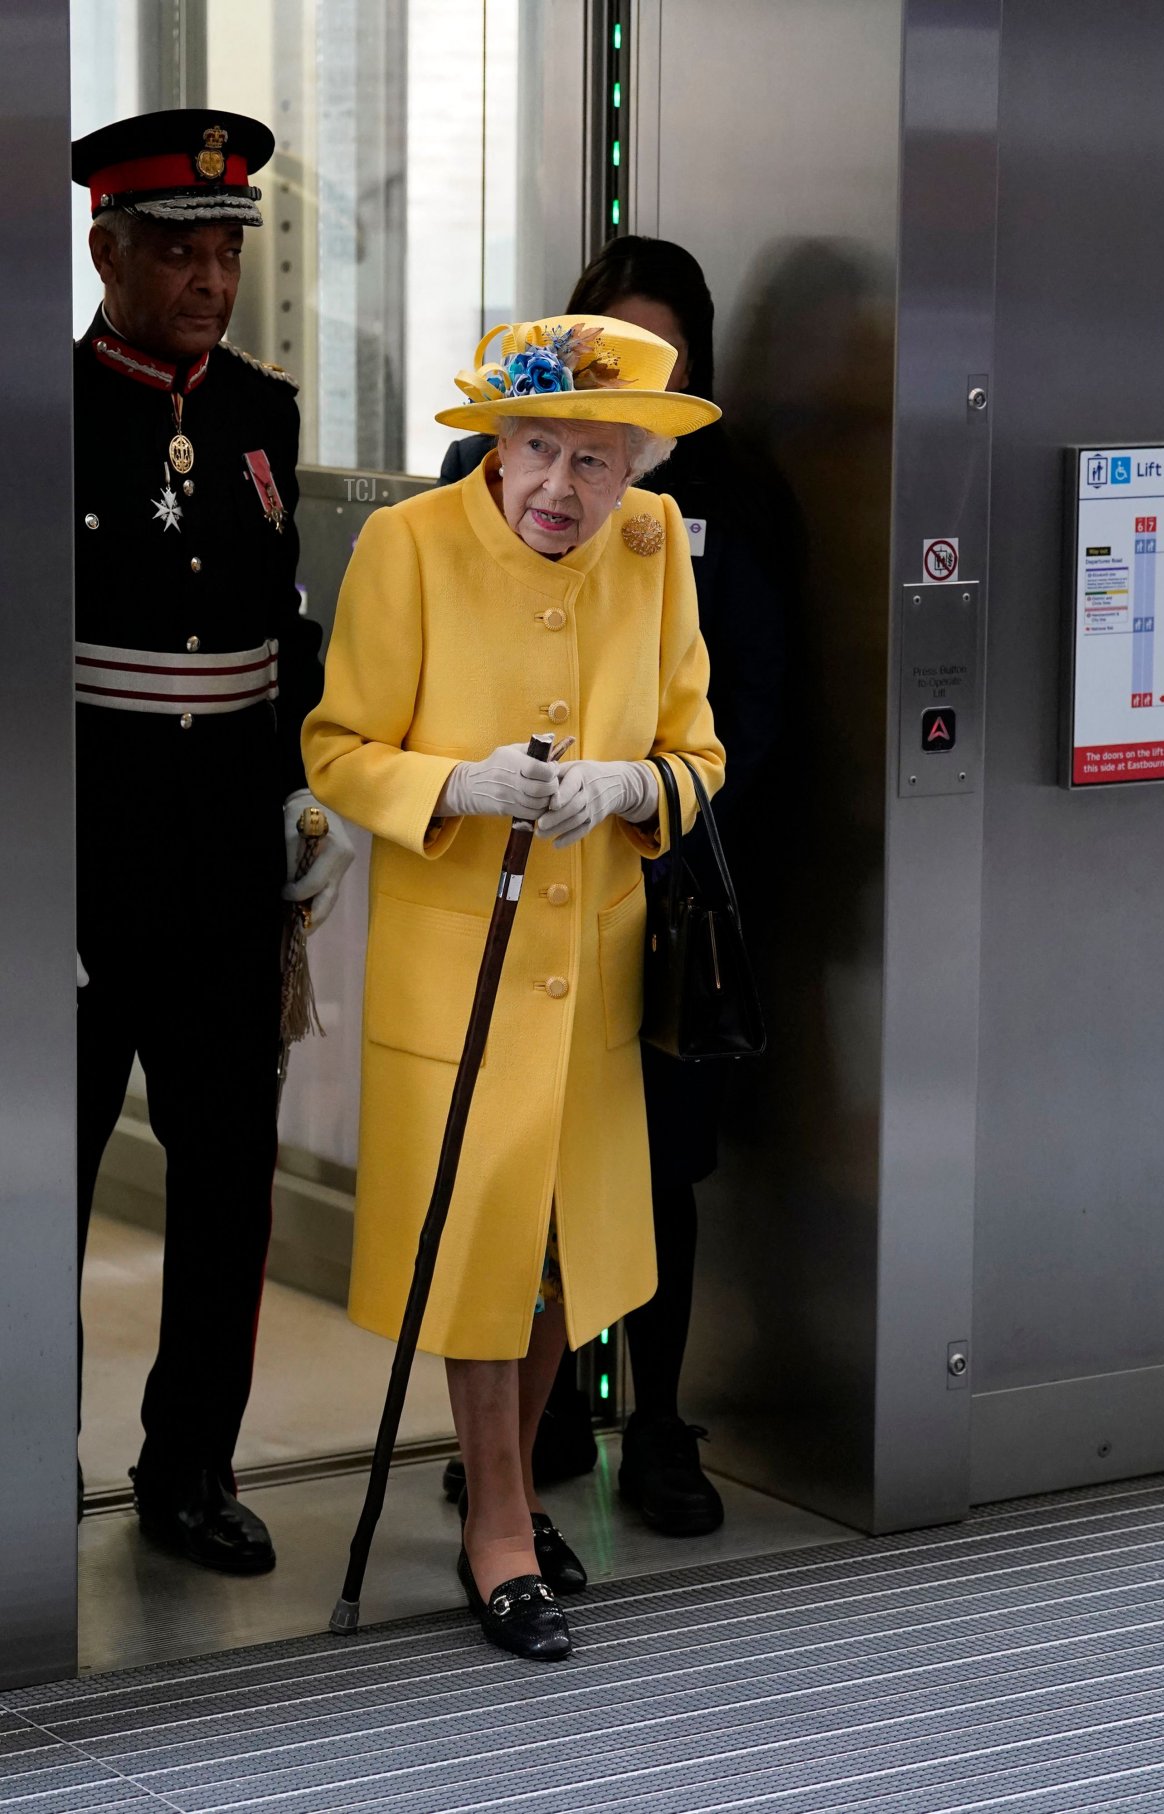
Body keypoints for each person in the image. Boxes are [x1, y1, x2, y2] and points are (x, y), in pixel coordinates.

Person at [303, 315, 723, 1659]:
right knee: (483, 1244)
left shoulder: (654, 561)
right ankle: (498, 1524)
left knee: (560, 1253)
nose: (562, 488)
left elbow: (697, 751)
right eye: (540, 448)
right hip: (457, 969)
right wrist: (457, 785)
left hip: (590, 968)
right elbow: (336, 748)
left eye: (598, 463)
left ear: (638, 471)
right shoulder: (408, 547)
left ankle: (512, 1491)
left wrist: (627, 788)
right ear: (498, 442)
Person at [440, 238, 790, 1536]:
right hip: (513, 884)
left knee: (655, 1169)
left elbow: (750, 704)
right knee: (516, 1173)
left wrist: (652, 800)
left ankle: (656, 1421)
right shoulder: (497, 477)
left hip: (667, 884)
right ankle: (511, 1444)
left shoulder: (735, 500)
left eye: (664, 363)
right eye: (609, 354)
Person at [71, 109, 354, 1572]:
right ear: (103, 246)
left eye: (225, 247)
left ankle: (189, 1466)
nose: (208, 275)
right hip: (76, 875)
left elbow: (276, 629)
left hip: (227, 877)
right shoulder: (43, 408)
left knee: (228, 1180)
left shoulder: (258, 410)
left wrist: (308, 780)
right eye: (176, 247)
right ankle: (19, 1453)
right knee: (36, 1180)